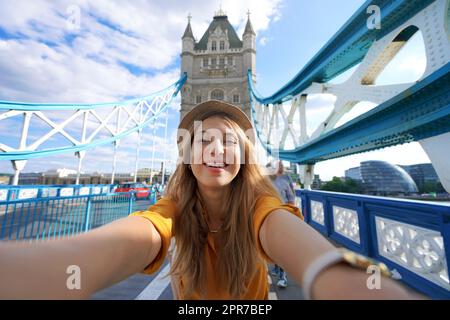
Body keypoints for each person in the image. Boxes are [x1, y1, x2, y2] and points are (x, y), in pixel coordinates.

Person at [0, 100, 417, 300]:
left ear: (244, 155)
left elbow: (307, 251)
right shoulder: (173, 205)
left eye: (228, 141)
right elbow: (138, 234)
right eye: (203, 139)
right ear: (187, 154)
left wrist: (339, 277)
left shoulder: (260, 203)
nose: (216, 148)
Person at [267, 161, 296, 288]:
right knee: (273, 245)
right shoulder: (265, 179)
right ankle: (276, 268)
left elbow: (291, 197)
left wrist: (291, 214)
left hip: (283, 214)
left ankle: (282, 276)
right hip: (268, 214)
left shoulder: (286, 178)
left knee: (281, 245)